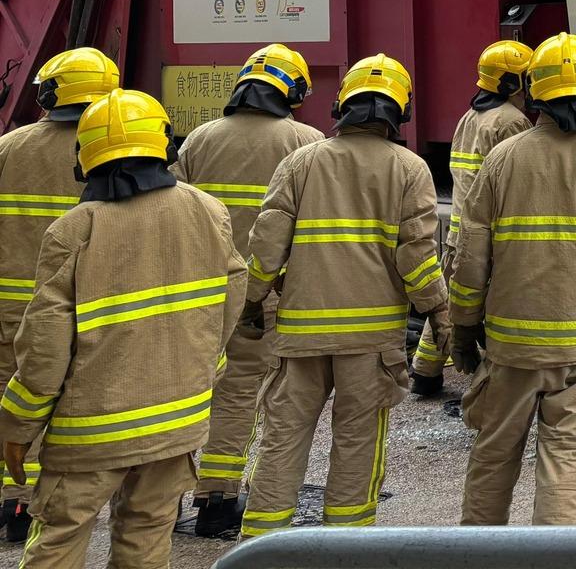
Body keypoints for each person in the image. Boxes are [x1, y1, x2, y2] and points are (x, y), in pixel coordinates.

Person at [0, 89, 242, 569]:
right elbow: (228, 302)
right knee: (146, 543)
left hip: (89, 434)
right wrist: (202, 368)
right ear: (163, 145)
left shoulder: (75, 229)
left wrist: (18, 428)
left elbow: (44, 350)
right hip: (175, 425)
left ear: (85, 158)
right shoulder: (208, 212)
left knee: (58, 542)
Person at [237, 55, 446, 538]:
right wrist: (439, 312)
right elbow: (416, 258)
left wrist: (252, 301)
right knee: (357, 446)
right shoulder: (410, 169)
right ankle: (345, 548)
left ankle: (260, 545)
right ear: (402, 110)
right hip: (369, 345)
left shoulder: (301, 162)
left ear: (341, 105)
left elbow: (266, 247)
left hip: (300, 339)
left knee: (282, 443)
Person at [451, 32, 576, 525]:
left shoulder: (502, 159)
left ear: (534, 89)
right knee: (564, 464)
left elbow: (471, 257)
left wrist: (461, 326)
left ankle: (476, 561)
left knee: (492, 460)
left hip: (511, 346)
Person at [170, 44, 322, 538]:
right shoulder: (307, 141)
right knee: (244, 395)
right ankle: (218, 499)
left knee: (186, 392)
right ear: (293, 90)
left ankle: (162, 501)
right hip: (268, 295)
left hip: (201, 290)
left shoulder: (199, 140)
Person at [0, 50, 119, 542]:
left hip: (12, 306)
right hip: (85, 305)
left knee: (14, 398)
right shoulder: (116, 149)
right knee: (72, 405)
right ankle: (57, 509)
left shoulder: (8, 147)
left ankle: (13, 502)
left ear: (49, 93)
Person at [410, 39, 535, 398]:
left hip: (460, 230)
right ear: (512, 83)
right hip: (491, 230)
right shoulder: (512, 122)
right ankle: (499, 378)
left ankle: (425, 369)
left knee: (452, 301)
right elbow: (518, 180)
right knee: (497, 302)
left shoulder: (470, 117)